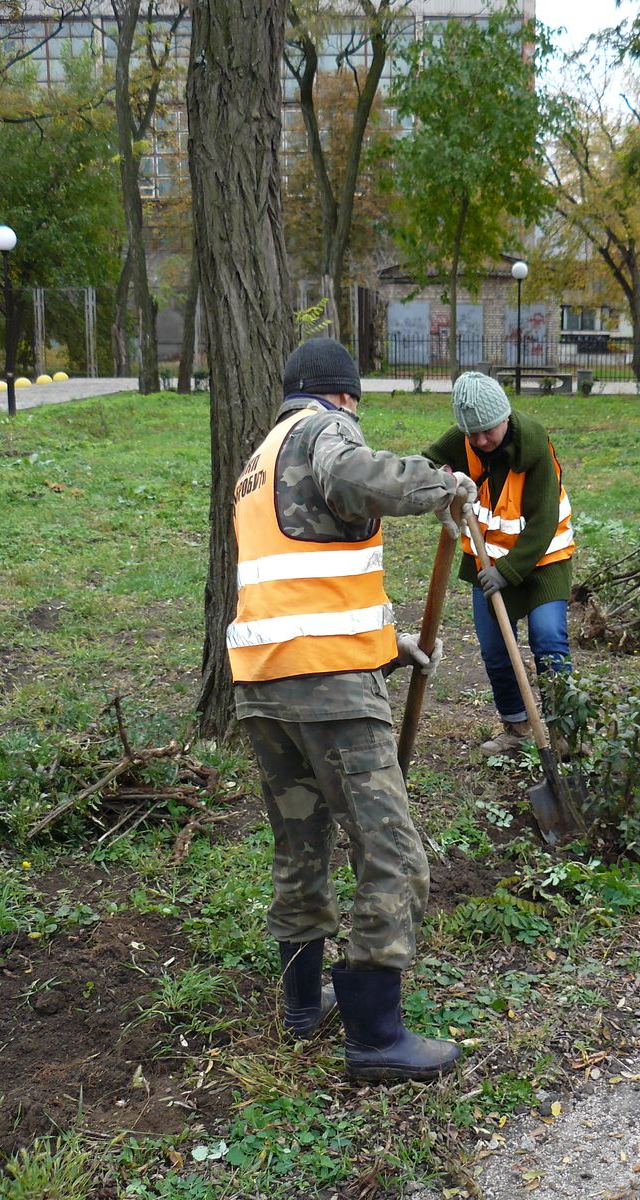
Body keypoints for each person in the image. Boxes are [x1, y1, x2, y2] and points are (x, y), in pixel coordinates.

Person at [226, 338, 477, 1083]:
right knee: (393, 855)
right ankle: (375, 1036)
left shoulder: (258, 461)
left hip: (264, 688)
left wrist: (382, 640)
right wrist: (441, 486)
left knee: (302, 849)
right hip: (327, 690)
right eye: (357, 406)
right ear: (344, 395)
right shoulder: (324, 432)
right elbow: (351, 476)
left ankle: (305, 1006)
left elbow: (298, 574)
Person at [423, 371, 574, 757]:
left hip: (542, 560)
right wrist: (437, 476)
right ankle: (517, 727)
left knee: (548, 640)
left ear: (504, 416)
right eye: (472, 433)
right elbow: (426, 463)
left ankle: (565, 732)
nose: (480, 441)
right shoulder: (467, 437)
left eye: (487, 431)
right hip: (487, 559)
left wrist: (507, 573)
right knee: (494, 649)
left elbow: (542, 524)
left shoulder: (533, 443)